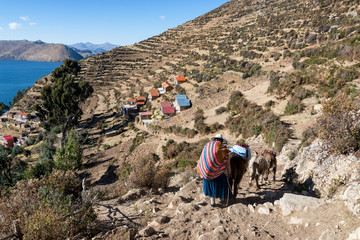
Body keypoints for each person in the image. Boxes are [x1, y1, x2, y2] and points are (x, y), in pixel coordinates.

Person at [197, 134, 232, 207]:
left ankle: (212, 202)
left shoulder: (207, 146)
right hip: (217, 175)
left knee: (209, 181)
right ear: (221, 141)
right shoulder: (223, 149)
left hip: (206, 172)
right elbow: (227, 163)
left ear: (214, 140)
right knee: (222, 178)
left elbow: (203, 158)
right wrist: (228, 172)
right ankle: (220, 198)